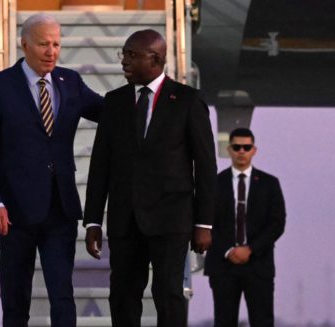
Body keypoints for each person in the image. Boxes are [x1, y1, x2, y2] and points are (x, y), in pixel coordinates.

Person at [0, 13, 103, 327]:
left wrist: (147, 100)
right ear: (24, 44)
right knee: (16, 299)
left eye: (56, 44)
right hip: (13, 213)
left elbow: (108, 112)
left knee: (62, 294)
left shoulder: (69, 81)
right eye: (44, 44)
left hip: (61, 208)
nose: (51, 51)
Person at [83, 29, 217, 327]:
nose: (123, 61)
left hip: (172, 217)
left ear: (154, 59)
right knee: (122, 295)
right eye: (123, 54)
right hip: (125, 218)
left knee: (168, 293)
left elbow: (205, 166)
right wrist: (92, 220)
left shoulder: (187, 100)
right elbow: (100, 164)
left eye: (131, 54)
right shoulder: (114, 102)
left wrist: (204, 223)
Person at [204, 128, 286, 327]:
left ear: (253, 150)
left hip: (258, 265)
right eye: (237, 147)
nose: (242, 151)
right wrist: (229, 250)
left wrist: (250, 249)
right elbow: (205, 222)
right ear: (229, 149)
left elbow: (277, 223)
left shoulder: (269, 184)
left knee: (262, 321)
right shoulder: (214, 183)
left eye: (246, 147)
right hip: (223, 266)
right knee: (224, 321)